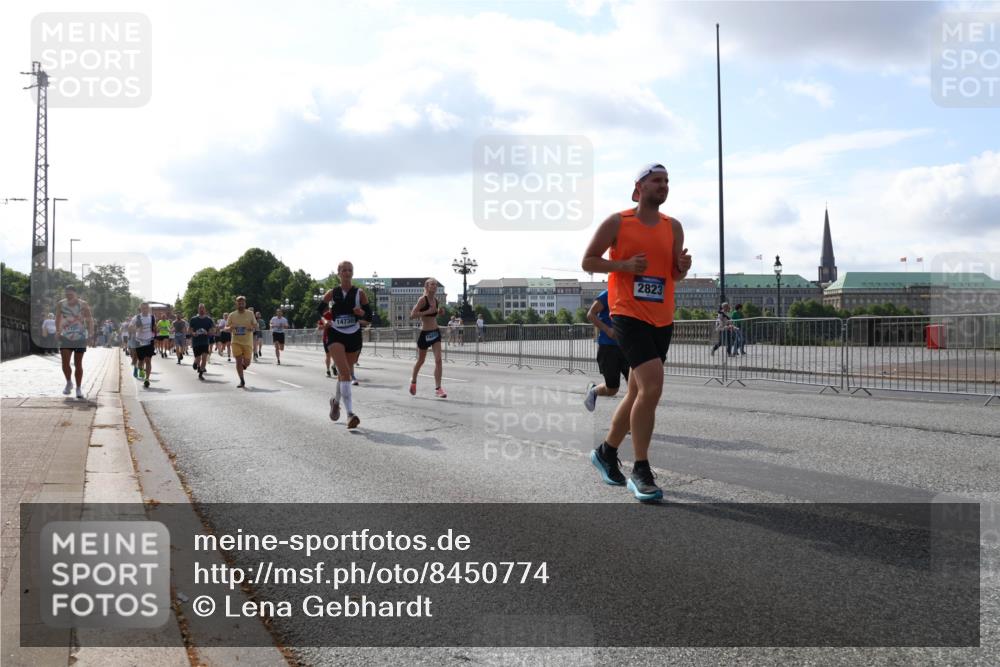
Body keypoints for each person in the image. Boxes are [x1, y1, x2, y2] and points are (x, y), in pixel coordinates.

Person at [581, 163, 691, 502]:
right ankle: (640, 469)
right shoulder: (618, 222)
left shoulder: (674, 227)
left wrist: (682, 269)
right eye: (657, 181)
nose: (663, 186)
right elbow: (588, 261)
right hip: (627, 314)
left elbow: (673, 276)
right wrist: (623, 266)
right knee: (653, 386)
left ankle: (606, 451)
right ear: (639, 187)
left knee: (636, 392)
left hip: (662, 318)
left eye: (667, 181)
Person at [321, 261, 372, 429]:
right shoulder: (332, 293)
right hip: (336, 333)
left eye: (350, 270)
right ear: (339, 273)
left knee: (344, 374)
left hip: (353, 335)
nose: (347, 272)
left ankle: (335, 402)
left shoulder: (360, 293)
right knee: (345, 373)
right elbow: (319, 311)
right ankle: (350, 414)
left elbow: (369, 316)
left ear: (353, 273)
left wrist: (361, 313)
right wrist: (325, 321)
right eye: (344, 270)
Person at [583, 289, 629, 412]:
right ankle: (594, 390)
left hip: (629, 347)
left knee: (636, 389)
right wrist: (607, 330)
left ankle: (630, 424)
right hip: (609, 347)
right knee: (612, 389)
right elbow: (590, 314)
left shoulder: (635, 293)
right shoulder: (608, 294)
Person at [408, 278, 447, 398]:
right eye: (432, 285)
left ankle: (438, 388)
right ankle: (413, 381)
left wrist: (439, 312)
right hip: (425, 334)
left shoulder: (436, 300)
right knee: (421, 361)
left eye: (436, 285)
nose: (434, 286)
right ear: (427, 286)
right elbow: (412, 315)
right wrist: (427, 311)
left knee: (438, 360)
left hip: (435, 332)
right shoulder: (422, 300)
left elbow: (433, 315)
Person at [54, 286, 94, 398]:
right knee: (65, 362)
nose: (69, 296)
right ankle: (68, 382)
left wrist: (91, 335)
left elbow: (90, 320)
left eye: (71, 295)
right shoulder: (61, 304)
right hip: (65, 336)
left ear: (76, 294)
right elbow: (57, 318)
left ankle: (78, 388)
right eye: (67, 295)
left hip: (80, 337)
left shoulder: (83, 304)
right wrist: (57, 331)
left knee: (78, 364)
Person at [225, 297, 257, 388]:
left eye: (242, 303)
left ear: (245, 304)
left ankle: (243, 365)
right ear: (236, 304)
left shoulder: (250, 314)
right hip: (236, 341)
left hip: (247, 342)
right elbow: (226, 328)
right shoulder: (232, 315)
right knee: (238, 361)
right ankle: (242, 380)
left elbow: (255, 325)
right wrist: (230, 328)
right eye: (239, 303)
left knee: (247, 363)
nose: (241, 305)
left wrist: (252, 328)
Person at [131, 302, 157, 388]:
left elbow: (154, 328)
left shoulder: (152, 317)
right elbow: (130, 327)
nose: (145, 309)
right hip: (139, 341)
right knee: (141, 361)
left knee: (148, 360)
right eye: (143, 308)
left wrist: (155, 330)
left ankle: (147, 379)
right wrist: (136, 328)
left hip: (149, 341)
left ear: (148, 308)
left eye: (146, 308)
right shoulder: (137, 317)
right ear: (140, 309)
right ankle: (140, 369)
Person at [188, 303, 215, 380]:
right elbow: (189, 330)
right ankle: (195, 363)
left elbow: (212, 330)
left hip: (205, 342)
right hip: (196, 342)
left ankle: (201, 373)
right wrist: (193, 333)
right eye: (200, 308)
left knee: (204, 358)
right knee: (198, 358)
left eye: (203, 308)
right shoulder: (193, 319)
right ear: (198, 309)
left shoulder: (208, 320)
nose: (202, 310)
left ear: (205, 309)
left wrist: (208, 333)